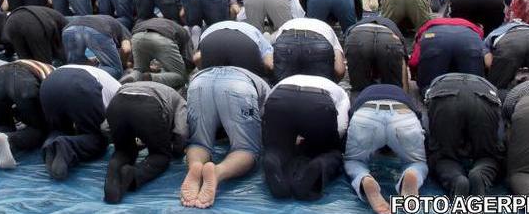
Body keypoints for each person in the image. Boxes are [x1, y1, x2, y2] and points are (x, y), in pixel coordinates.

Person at [180, 65, 269, 209]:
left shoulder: (209, 70)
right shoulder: (265, 87)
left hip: (199, 82)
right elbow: (266, 125)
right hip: (239, 87)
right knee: (246, 148)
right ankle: (217, 172)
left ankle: (195, 166)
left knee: (199, 142)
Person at [263, 74, 349, 201]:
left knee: (278, 146)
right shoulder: (342, 93)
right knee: (331, 151)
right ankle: (320, 165)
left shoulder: (289, 79)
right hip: (318, 103)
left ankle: (272, 159)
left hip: (279, 97)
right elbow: (340, 129)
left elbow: (267, 110)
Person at [344, 84, 426, 214]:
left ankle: (364, 178)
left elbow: (349, 121)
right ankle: (411, 174)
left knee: (354, 161)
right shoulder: (403, 94)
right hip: (403, 115)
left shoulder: (365, 92)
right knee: (417, 161)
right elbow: (420, 121)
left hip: (366, 115)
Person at [104, 81, 187, 204]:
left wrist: (123, 139)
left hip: (118, 103)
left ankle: (113, 173)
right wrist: (177, 151)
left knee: (123, 150)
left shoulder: (130, 85)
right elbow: (181, 131)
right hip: (148, 107)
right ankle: (133, 174)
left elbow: (105, 127)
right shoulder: (180, 100)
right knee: (161, 155)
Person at [424, 73, 505, 196]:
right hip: (484, 97)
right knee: (489, 154)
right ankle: (481, 174)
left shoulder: (437, 82)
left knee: (442, 155)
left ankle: (456, 180)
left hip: (444, 98)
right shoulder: (485, 83)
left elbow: (427, 123)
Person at [40, 65, 120, 180]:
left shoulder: (114, 84)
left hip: (49, 83)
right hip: (81, 84)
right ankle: (67, 147)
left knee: (60, 129)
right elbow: (109, 128)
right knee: (98, 138)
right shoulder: (120, 95)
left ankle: (50, 145)